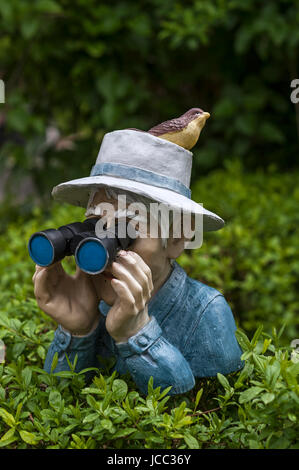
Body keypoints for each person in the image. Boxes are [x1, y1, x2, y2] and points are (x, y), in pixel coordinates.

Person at [32, 114, 243, 395]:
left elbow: (204, 413)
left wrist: (137, 334)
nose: (105, 247)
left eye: (125, 231)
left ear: (178, 237)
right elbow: (56, 404)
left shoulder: (207, 314)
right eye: (94, 226)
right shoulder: (97, 305)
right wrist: (77, 331)